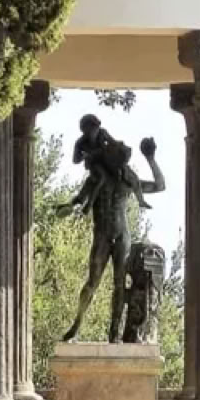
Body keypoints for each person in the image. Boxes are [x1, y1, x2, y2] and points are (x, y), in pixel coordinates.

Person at [61, 113, 165, 342]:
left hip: (121, 234)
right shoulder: (95, 179)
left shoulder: (127, 180)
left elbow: (159, 185)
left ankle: (113, 332)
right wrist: (67, 207)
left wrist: (151, 158)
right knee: (92, 282)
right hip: (102, 234)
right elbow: (78, 199)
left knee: (119, 283)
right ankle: (76, 325)